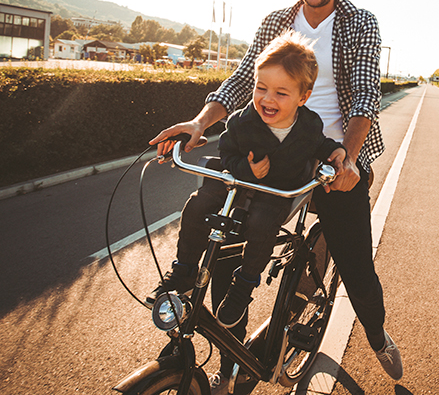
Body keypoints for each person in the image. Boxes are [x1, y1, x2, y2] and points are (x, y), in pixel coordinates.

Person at [151, 0, 403, 391]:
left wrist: (345, 158)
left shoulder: (360, 23)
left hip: (332, 155)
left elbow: (366, 95)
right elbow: (242, 78)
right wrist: (198, 124)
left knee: (356, 264)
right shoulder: (275, 22)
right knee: (228, 244)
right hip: (272, 151)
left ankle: (375, 331)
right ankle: (230, 363)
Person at [146, 32, 347, 329]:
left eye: (281, 93)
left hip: (276, 190)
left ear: (302, 98)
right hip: (236, 181)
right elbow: (226, 152)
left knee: (262, 224)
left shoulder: (309, 125)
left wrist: (337, 151)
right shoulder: (242, 121)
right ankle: (184, 269)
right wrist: (246, 169)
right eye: (261, 88)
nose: (267, 99)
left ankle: (244, 284)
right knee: (198, 205)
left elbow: (320, 144)